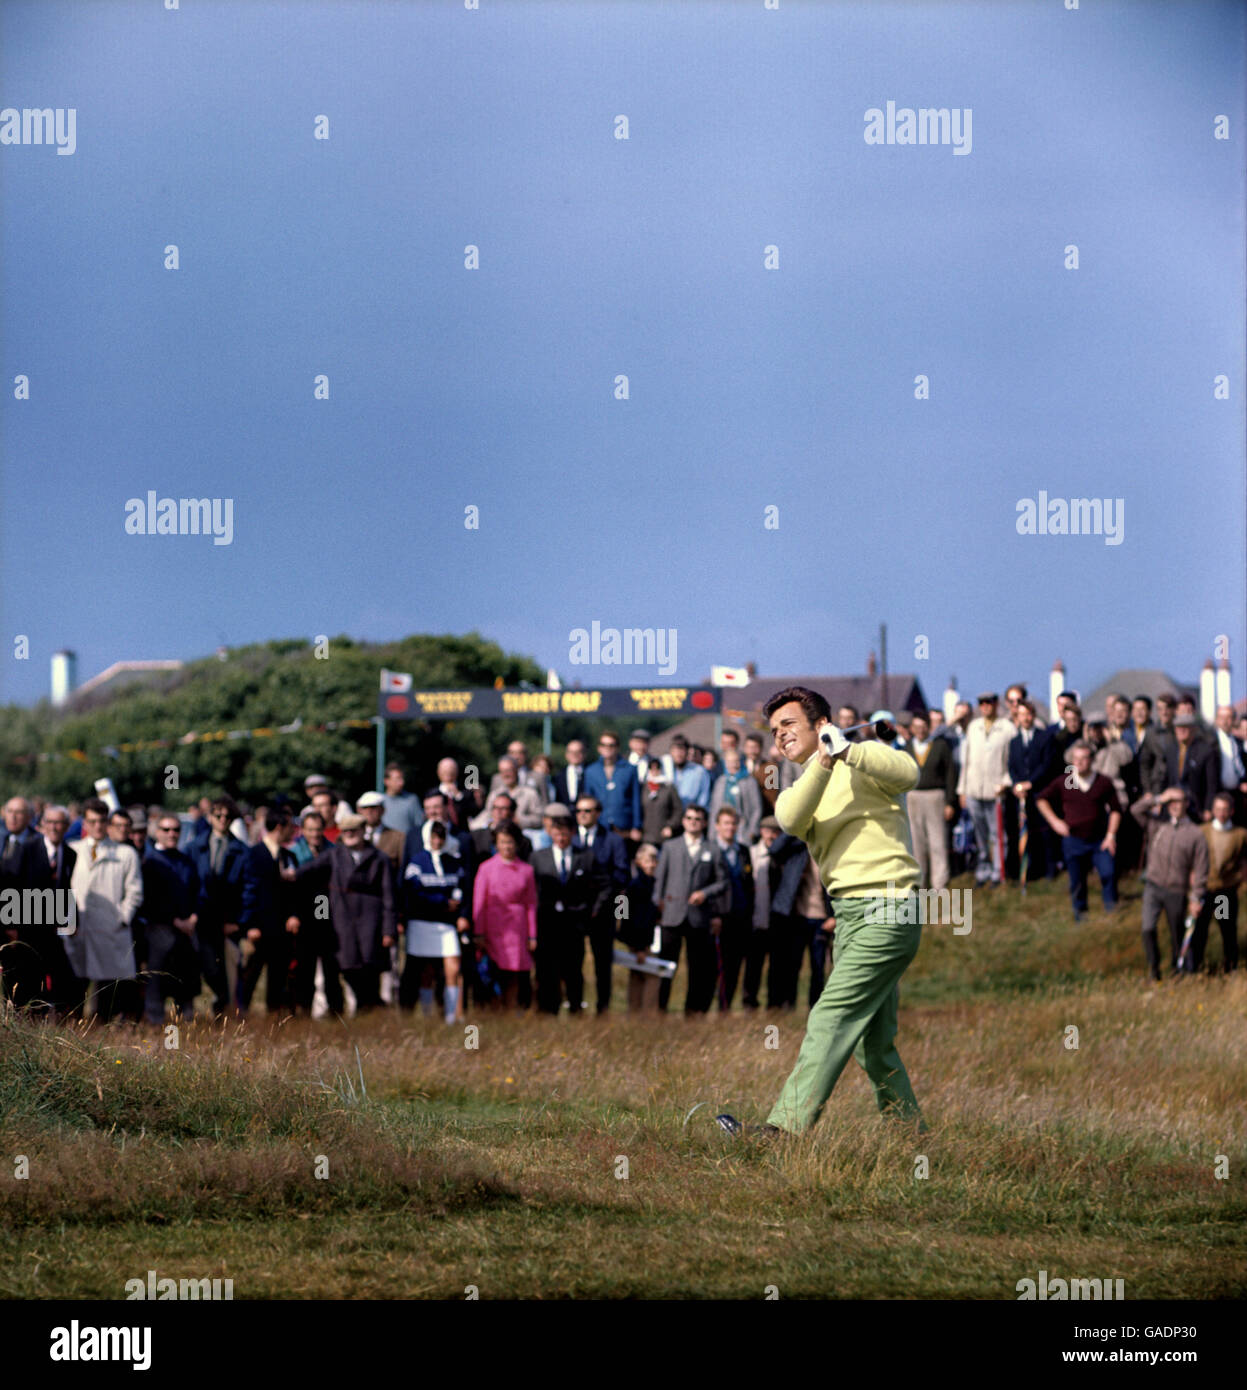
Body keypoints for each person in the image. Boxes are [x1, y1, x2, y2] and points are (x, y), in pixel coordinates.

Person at [718, 685, 924, 1139]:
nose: (780, 737)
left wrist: (847, 750)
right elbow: (790, 818)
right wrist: (825, 761)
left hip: (890, 907)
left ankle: (783, 1130)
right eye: (774, 731)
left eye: (788, 724)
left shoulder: (866, 755)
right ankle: (912, 1138)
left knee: (829, 1015)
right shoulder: (800, 786)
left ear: (821, 724)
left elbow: (908, 771)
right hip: (850, 916)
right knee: (873, 1044)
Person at [64, 798, 144, 1022]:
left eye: (102, 821)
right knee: (76, 985)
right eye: (92, 821)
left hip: (110, 929)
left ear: (107, 822)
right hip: (78, 928)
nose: (97, 826)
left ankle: (101, 1033)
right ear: (85, 823)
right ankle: (74, 1029)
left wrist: (122, 918)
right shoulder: (73, 850)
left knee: (107, 989)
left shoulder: (125, 853)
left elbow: (135, 892)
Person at [652, 803, 727, 1014]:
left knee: (697, 968)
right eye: (689, 818)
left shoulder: (712, 849)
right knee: (666, 966)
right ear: (684, 821)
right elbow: (659, 880)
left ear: (704, 823)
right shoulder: (670, 846)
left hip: (699, 917)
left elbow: (722, 882)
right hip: (672, 915)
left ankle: (692, 1012)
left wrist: (705, 893)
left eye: (697, 819)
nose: (693, 822)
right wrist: (658, 909)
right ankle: (660, 1009)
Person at [532, 805, 606, 1015]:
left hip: (574, 923)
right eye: (557, 833)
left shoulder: (586, 857)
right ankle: (548, 1009)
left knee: (573, 968)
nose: (561, 837)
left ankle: (576, 1007)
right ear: (550, 833)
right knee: (547, 969)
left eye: (565, 833)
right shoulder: (539, 858)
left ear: (572, 833)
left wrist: (593, 909)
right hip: (547, 922)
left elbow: (604, 885)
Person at [1035, 742, 1122, 922]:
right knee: (1077, 881)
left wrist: (1111, 835)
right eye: (1076, 759)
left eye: (1084, 758)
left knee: (1108, 873)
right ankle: (1081, 917)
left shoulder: (1103, 782)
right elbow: (1041, 799)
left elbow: (1116, 809)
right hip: (1074, 840)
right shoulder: (1065, 781)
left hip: (1099, 840)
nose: (1080, 763)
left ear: (1091, 760)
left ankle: (1112, 914)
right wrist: (1055, 822)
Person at [1129, 788, 1207, 981]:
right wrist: (1158, 798)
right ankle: (1153, 971)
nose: (1174, 804)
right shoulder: (1156, 825)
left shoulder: (1196, 834)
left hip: (1176, 890)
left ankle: (1177, 970)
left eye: (1178, 801)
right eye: (1170, 801)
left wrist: (1196, 897)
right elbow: (1135, 810)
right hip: (1153, 887)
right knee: (1148, 928)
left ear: (1187, 804)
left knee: (1177, 933)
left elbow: (1201, 869)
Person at [400, 820, 470, 1021]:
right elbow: (414, 892)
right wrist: (442, 901)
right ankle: (429, 1015)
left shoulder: (453, 862)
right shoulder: (417, 862)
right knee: (426, 971)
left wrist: (456, 901)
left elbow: (461, 886)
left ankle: (451, 1017)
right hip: (422, 922)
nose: (437, 841)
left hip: (446, 924)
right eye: (433, 837)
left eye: (441, 837)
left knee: (453, 966)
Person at [327, 814, 396, 1012]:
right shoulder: (335, 855)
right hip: (343, 924)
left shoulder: (379, 858)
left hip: (372, 924)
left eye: (353, 831)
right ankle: (370, 1005)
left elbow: (389, 895)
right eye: (346, 831)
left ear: (362, 831)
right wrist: (289, 875)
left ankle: (370, 1012)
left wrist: (389, 930)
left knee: (370, 969)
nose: (350, 835)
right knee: (349, 968)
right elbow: (311, 871)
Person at [238, 807, 301, 1017]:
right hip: (259, 929)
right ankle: (239, 1016)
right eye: (291, 826)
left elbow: (293, 892)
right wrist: (251, 925)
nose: (294, 831)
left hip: (281, 930)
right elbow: (248, 891)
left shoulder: (288, 855)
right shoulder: (254, 855)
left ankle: (274, 1020)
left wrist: (293, 914)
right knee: (250, 975)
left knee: (278, 977)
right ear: (280, 827)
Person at [141, 813, 202, 1024]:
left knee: (185, 979)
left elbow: (196, 892)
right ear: (157, 832)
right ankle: (154, 1022)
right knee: (157, 979)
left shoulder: (186, 861)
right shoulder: (150, 862)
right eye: (166, 830)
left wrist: (193, 918)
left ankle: (186, 1022)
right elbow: (150, 899)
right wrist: (175, 920)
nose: (172, 834)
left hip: (186, 931)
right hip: (160, 930)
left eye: (176, 829)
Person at [189, 797, 247, 1016]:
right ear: (210, 817)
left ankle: (225, 1012)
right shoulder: (195, 847)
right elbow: (189, 883)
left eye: (227, 817)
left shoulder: (241, 850)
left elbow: (246, 890)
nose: (223, 820)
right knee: (208, 967)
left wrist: (238, 921)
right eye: (218, 815)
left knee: (229, 970)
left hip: (228, 921)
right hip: (201, 918)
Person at [572, 793, 630, 1013]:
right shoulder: (571, 839)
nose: (582, 815)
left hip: (603, 910)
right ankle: (575, 1006)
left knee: (602, 963)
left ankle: (603, 1008)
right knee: (573, 961)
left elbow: (622, 874)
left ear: (598, 813)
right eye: (579, 811)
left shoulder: (613, 840)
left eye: (587, 811)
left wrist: (604, 897)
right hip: (576, 911)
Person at [472, 824, 538, 1011]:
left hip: (517, 928)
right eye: (502, 842)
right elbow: (479, 903)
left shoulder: (526, 870)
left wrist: (532, 935)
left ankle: (512, 1009)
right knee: (493, 972)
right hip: (493, 926)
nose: (507, 846)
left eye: (510, 842)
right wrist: (479, 932)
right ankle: (493, 1010)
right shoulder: (486, 868)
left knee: (515, 973)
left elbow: (530, 904)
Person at [290, 810, 344, 1018]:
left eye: (318, 830)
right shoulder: (295, 852)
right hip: (304, 914)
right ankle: (303, 1011)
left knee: (331, 967)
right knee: (305, 968)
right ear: (303, 830)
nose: (314, 834)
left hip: (326, 913)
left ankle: (335, 1012)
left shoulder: (332, 850)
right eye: (310, 830)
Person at [957, 693, 1013, 886]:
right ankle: (983, 870)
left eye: (989, 703)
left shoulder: (1007, 728)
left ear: (996, 704)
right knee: (979, 833)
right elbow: (966, 759)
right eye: (982, 703)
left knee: (997, 834)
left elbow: (1011, 759)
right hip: (974, 788)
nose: (986, 706)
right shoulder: (973, 727)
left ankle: (999, 871)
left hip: (995, 790)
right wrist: (962, 789)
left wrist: (1005, 782)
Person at [1193, 791, 1245, 973]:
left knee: (1227, 930)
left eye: (1225, 809)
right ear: (1213, 810)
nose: (1221, 813)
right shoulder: (1202, 831)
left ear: (1231, 811)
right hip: (1205, 890)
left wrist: (1239, 881)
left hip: (1224, 893)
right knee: (1200, 931)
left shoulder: (1240, 834)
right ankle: (1195, 967)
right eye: (1217, 809)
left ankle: (1230, 968)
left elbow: (1243, 863)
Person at [906, 711, 958, 891]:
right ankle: (920, 882)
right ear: (912, 729)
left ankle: (939, 883)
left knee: (938, 841)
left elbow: (951, 774)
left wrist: (950, 801)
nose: (920, 730)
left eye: (924, 727)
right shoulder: (905, 748)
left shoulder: (940, 745)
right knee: (916, 842)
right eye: (917, 727)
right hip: (913, 797)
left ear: (929, 727)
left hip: (936, 796)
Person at [710, 806, 755, 1010]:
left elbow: (749, 884)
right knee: (712, 967)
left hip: (740, 918)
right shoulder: (709, 850)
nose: (730, 827)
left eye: (733, 823)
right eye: (726, 823)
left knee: (734, 967)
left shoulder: (743, 851)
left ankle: (724, 1009)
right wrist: (713, 914)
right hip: (717, 919)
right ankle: (700, 1011)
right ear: (717, 826)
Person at [620, 843, 662, 1011]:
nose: (651, 864)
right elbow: (627, 918)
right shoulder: (635, 886)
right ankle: (646, 1017)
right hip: (640, 942)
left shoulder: (654, 883)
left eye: (654, 860)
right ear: (638, 862)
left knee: (637, 977)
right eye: (647, 860)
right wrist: (638, 948)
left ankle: (636, 1015)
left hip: (646, 940)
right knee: (651, 977)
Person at [744, 816, 779, 1009]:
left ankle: (773, 1004)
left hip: (775, 920)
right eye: (767, 831)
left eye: (775, 832)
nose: (771, 835)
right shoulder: (750, 854)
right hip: (754, 917)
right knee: (753, 965)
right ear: (761, 831)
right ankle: (749, 1002)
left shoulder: (780, 856)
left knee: (775, 967)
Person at [584, 731, 643, 845]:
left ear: (617, 747)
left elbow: (636, 799)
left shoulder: (630, 769)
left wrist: (637, 826)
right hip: (599, 825)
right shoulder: (591, 771)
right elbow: (588, 800)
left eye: (612, 745)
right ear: (599, 748)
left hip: (624, 827)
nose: (608, 748)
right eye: (604, 745)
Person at [1166, 713, 1219, 821]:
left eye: (1186, 727)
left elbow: (1212, 783)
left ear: (1194, 729)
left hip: (1196, 806)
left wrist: (1208, 808)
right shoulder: (1171, 749)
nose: (1182, 730)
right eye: (1179, 727)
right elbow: (1166, 777)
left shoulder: (1205, 750)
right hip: (1173, 805)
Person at [708, 748, 764, 845]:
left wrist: (752, 831)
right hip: (722, 831)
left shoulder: (750, 781)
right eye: (729, 762)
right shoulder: (720, 781)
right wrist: (712, 832)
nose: (733, 764)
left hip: (742, 830)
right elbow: (714, 809)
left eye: (736, 761)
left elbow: (757, 809)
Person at [640, 757, 684, 845]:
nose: (654, 771)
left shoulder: (669, 788)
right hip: (646, 835)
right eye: (651, 768)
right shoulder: (643, 788)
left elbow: (678, 809)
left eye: (657, 768)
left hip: (664, 835)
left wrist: (671, 826)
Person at [666, 735, 712, 809]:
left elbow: (704, 799)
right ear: (670, 752)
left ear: (688, 752)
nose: (678, 754)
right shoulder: (664, 770)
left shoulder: (699, 772)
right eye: (675, 750)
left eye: (681, 750)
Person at [381, 762, 423, 838]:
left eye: (402, 779)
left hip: (406, 847)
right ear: (386, 781)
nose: (401, 783)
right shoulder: (380, 801)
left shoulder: (412, 800)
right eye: (397, 779)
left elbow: (419, 826)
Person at [553, 740, 589, 808]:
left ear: (584, 754)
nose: (575, 755)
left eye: (578, 752)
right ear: (566, 755)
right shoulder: (558, 776)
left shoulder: (590, 773)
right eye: (571, 752)